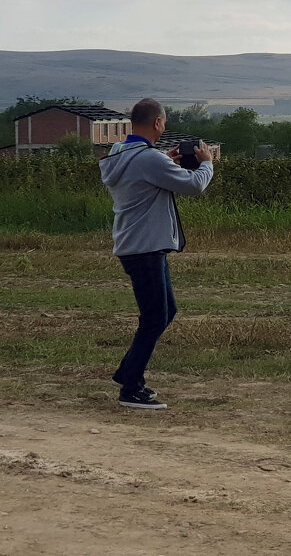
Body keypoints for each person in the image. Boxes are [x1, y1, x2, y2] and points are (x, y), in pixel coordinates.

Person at [99, 98, 214, 410]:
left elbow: (145, 174)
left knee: (166, 312)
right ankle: (131, 387)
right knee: (154, 317)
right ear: (158, 123)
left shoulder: (119, 153)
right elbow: (193, 186)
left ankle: (127, 372)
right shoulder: (149, 159)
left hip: (137, 244)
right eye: (164, 122)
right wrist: (207, 163)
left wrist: (166, 161)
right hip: (145, 247)